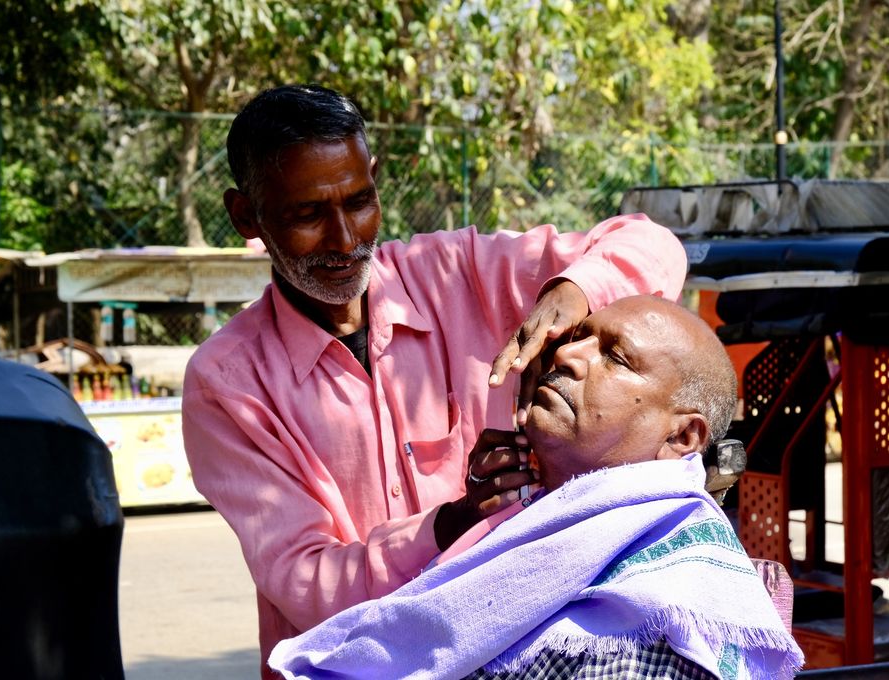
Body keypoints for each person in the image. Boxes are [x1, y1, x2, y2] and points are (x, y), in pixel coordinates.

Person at [181, 84, 688, 675]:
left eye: (359, 201)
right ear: (246, 216)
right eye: (308, 215)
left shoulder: (462, 272)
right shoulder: (227, 383)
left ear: (374, 177)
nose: (345, 240)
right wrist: (456, 522)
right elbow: (306, 582)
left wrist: (574, 291)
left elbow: (655, 247)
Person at [268, 296, 805, 680]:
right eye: (579, 338)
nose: (568, 356)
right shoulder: (532, 527)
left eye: (615, 357)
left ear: (683, 435)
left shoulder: (656, 605)